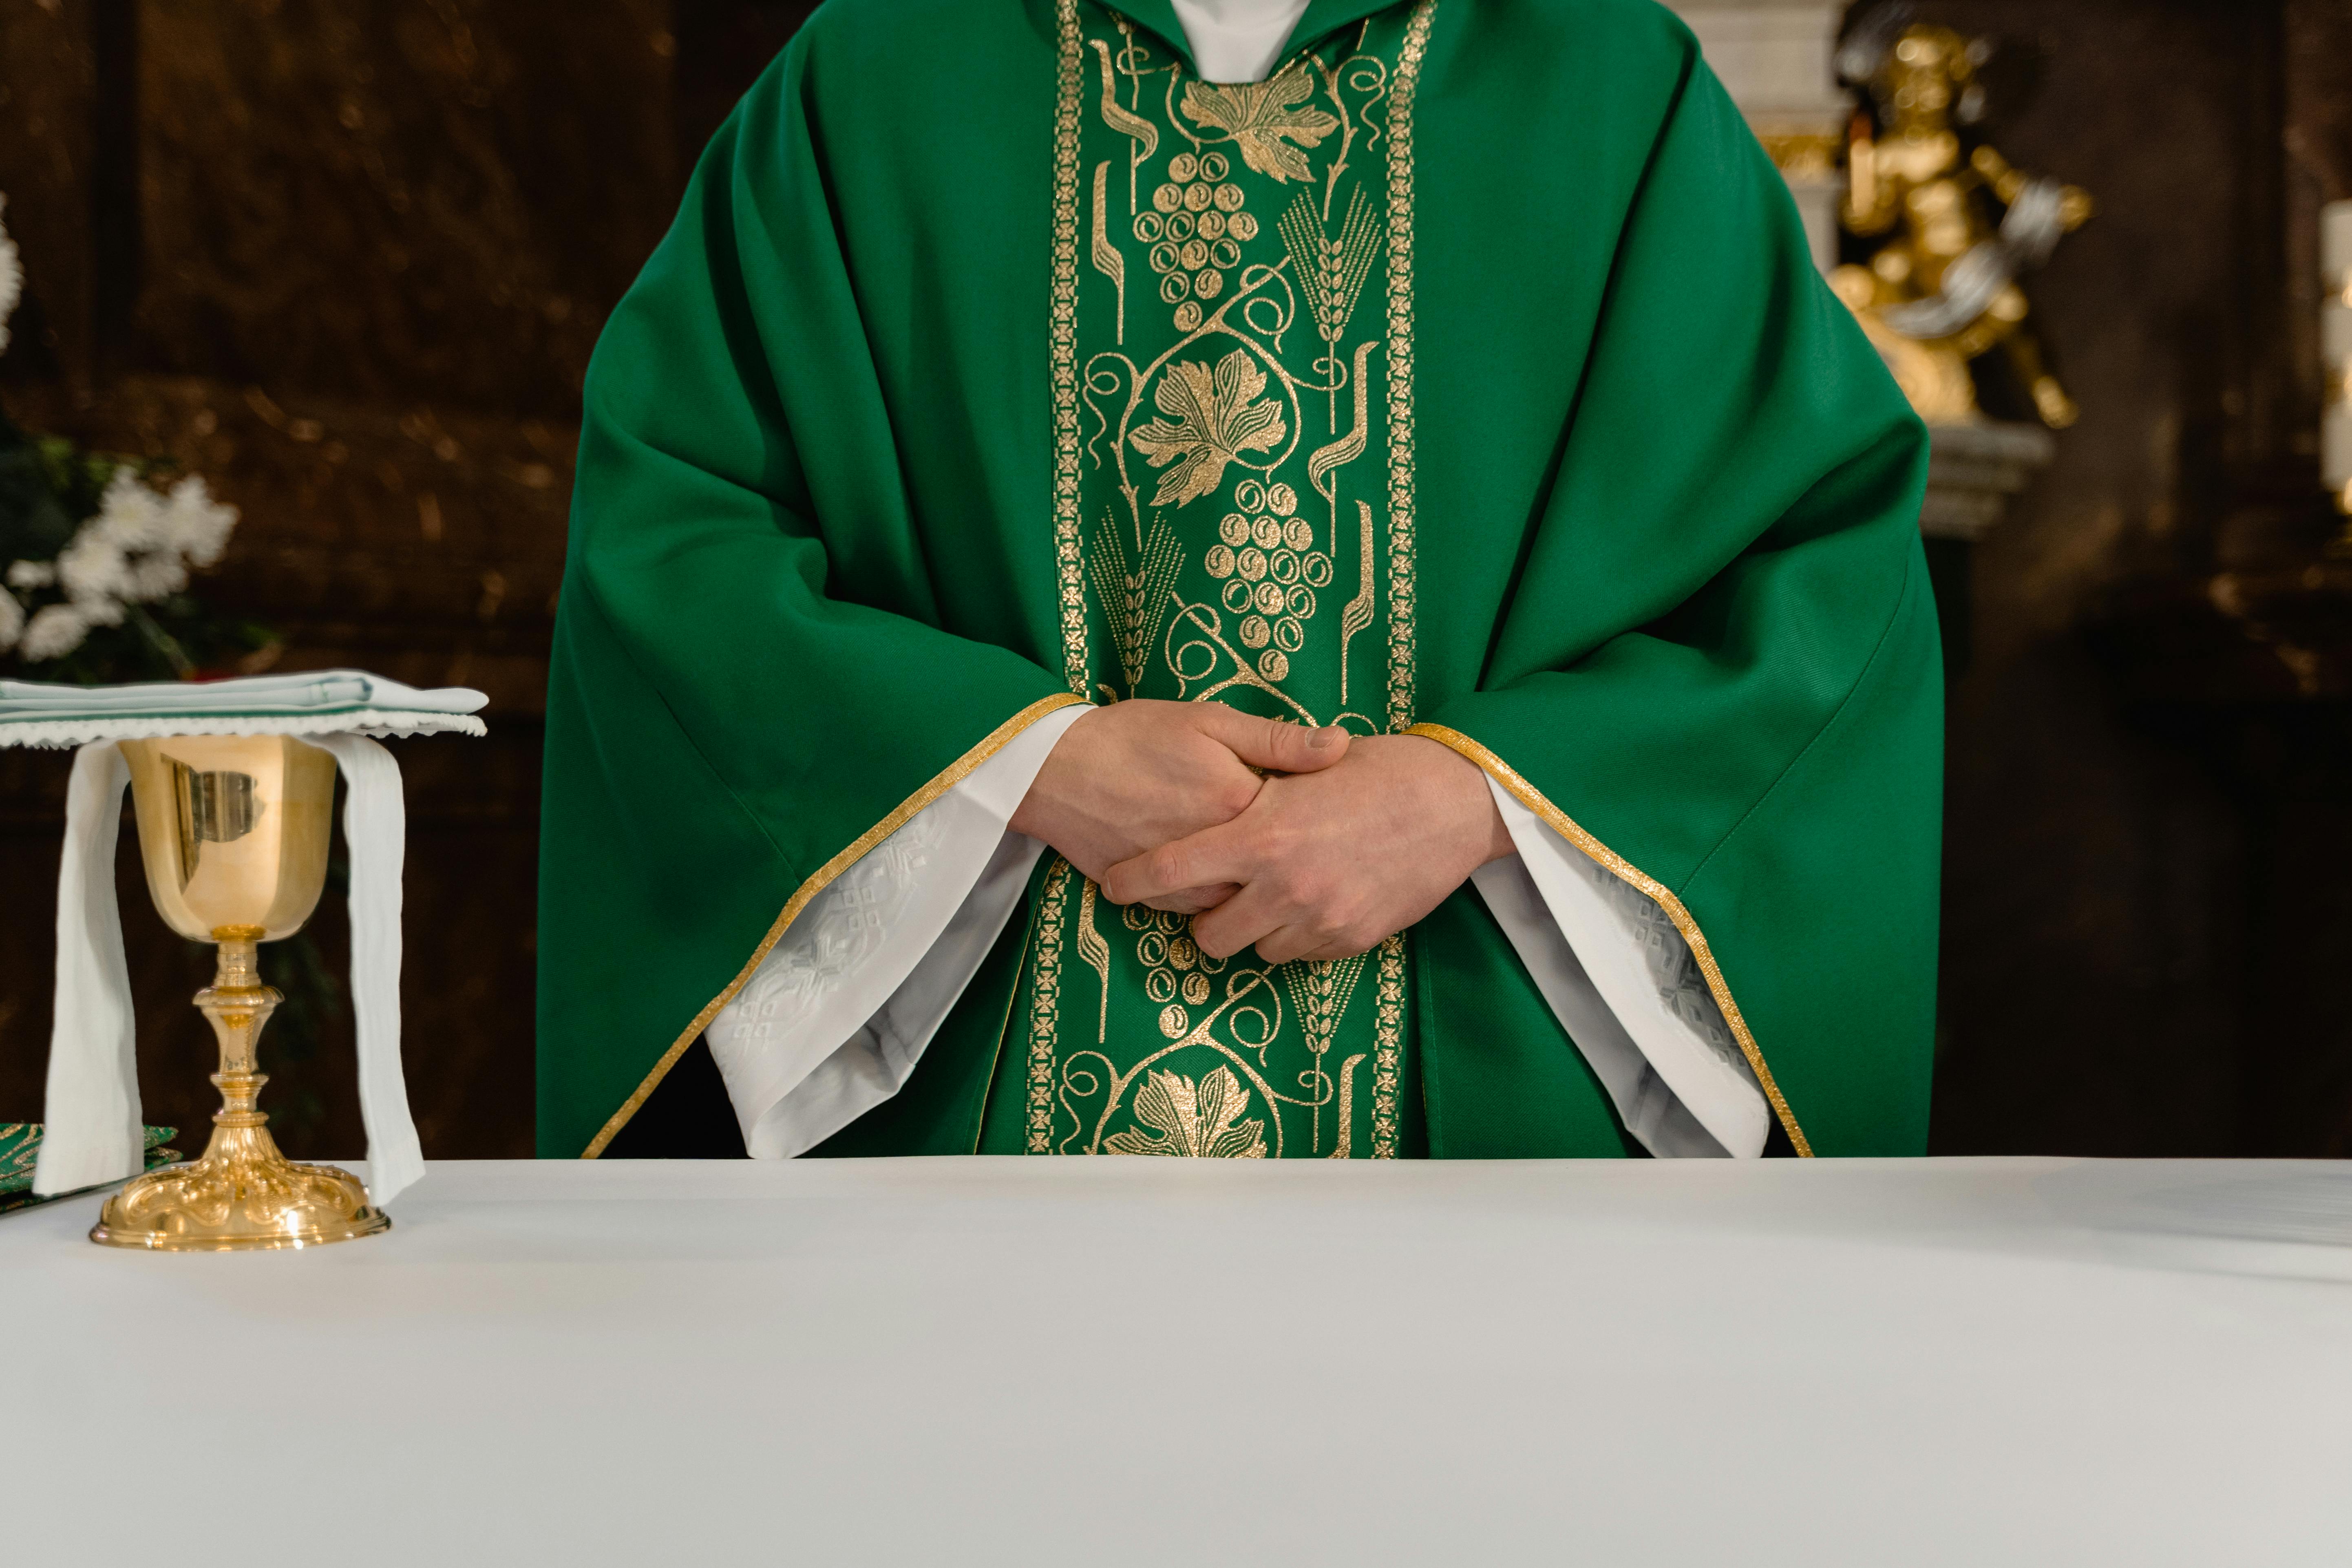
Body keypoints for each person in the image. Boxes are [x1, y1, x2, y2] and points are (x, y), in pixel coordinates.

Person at [536, 0, 1940, 1164]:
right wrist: (1024, 760)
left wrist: (1474, 797)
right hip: (973, 1115)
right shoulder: (881, 66)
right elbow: (678, 533)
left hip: (1486, 1105)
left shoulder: (1604, 78)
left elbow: (1817, 563)